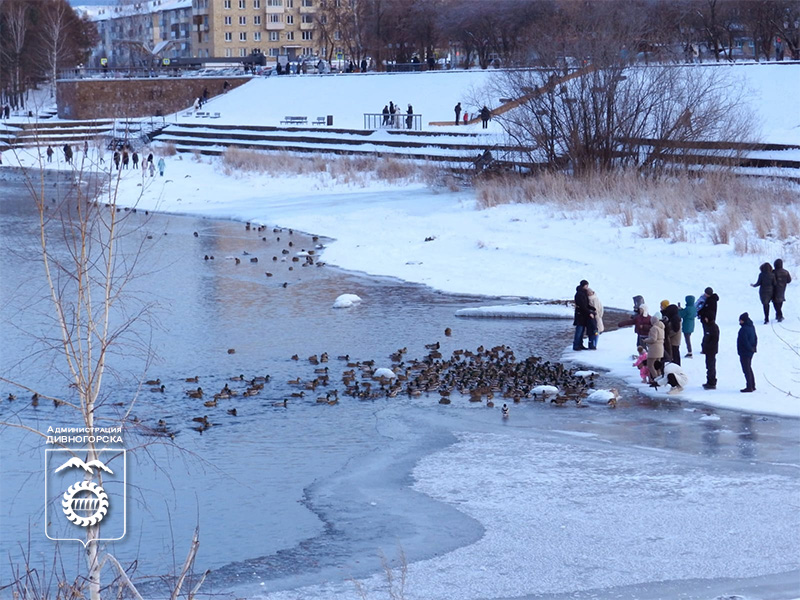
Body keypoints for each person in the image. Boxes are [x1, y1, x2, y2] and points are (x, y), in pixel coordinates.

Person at [737, 312, 757, 392]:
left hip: (745, 352)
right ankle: (752, 385)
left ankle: (749, 386)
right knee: (749, 368)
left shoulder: (743, 329)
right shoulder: (752, 327)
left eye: (740, 320)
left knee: (746, 369)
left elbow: (744, 341)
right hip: (750, 351)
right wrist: (753, 348)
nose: (739, 322)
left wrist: (749, 348)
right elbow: (755, 338)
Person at [572, 280, 595, 351]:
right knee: (579, 331)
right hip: (580, 315)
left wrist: (592, 308)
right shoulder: (579, 294)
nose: (587, 287)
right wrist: (589, 312)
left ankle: (580, 344)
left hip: (583, 315)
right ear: (583, 285)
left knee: (581, 331)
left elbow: (585, 304)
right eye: (586, 285)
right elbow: (582, 306)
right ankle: (576, 345)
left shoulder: (584, 293)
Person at [644, 315, 665, 382]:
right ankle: (660, 378)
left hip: (654, 349)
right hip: (660, 349)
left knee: (650, 365)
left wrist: (646, 340)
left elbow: (653, 339)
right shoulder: (661, 328)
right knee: (657, 365)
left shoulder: (654, 328)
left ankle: (656, 379)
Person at [660, 300, 682, 366]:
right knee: (674, 354)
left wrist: (667, 335)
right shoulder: (674, 317)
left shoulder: (675, 318)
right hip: (673, 339)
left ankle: (677, 366)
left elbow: (676, 330)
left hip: (674, 340)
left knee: (675, 353)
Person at [701, 315, 719, 390]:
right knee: (709, 366)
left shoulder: (713, 327)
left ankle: (712, 382)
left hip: (711, 350)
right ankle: (709, 381)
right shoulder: (709, 326)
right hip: (708, 350)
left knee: (711, 366)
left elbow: (714, 340)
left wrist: (707, 347)